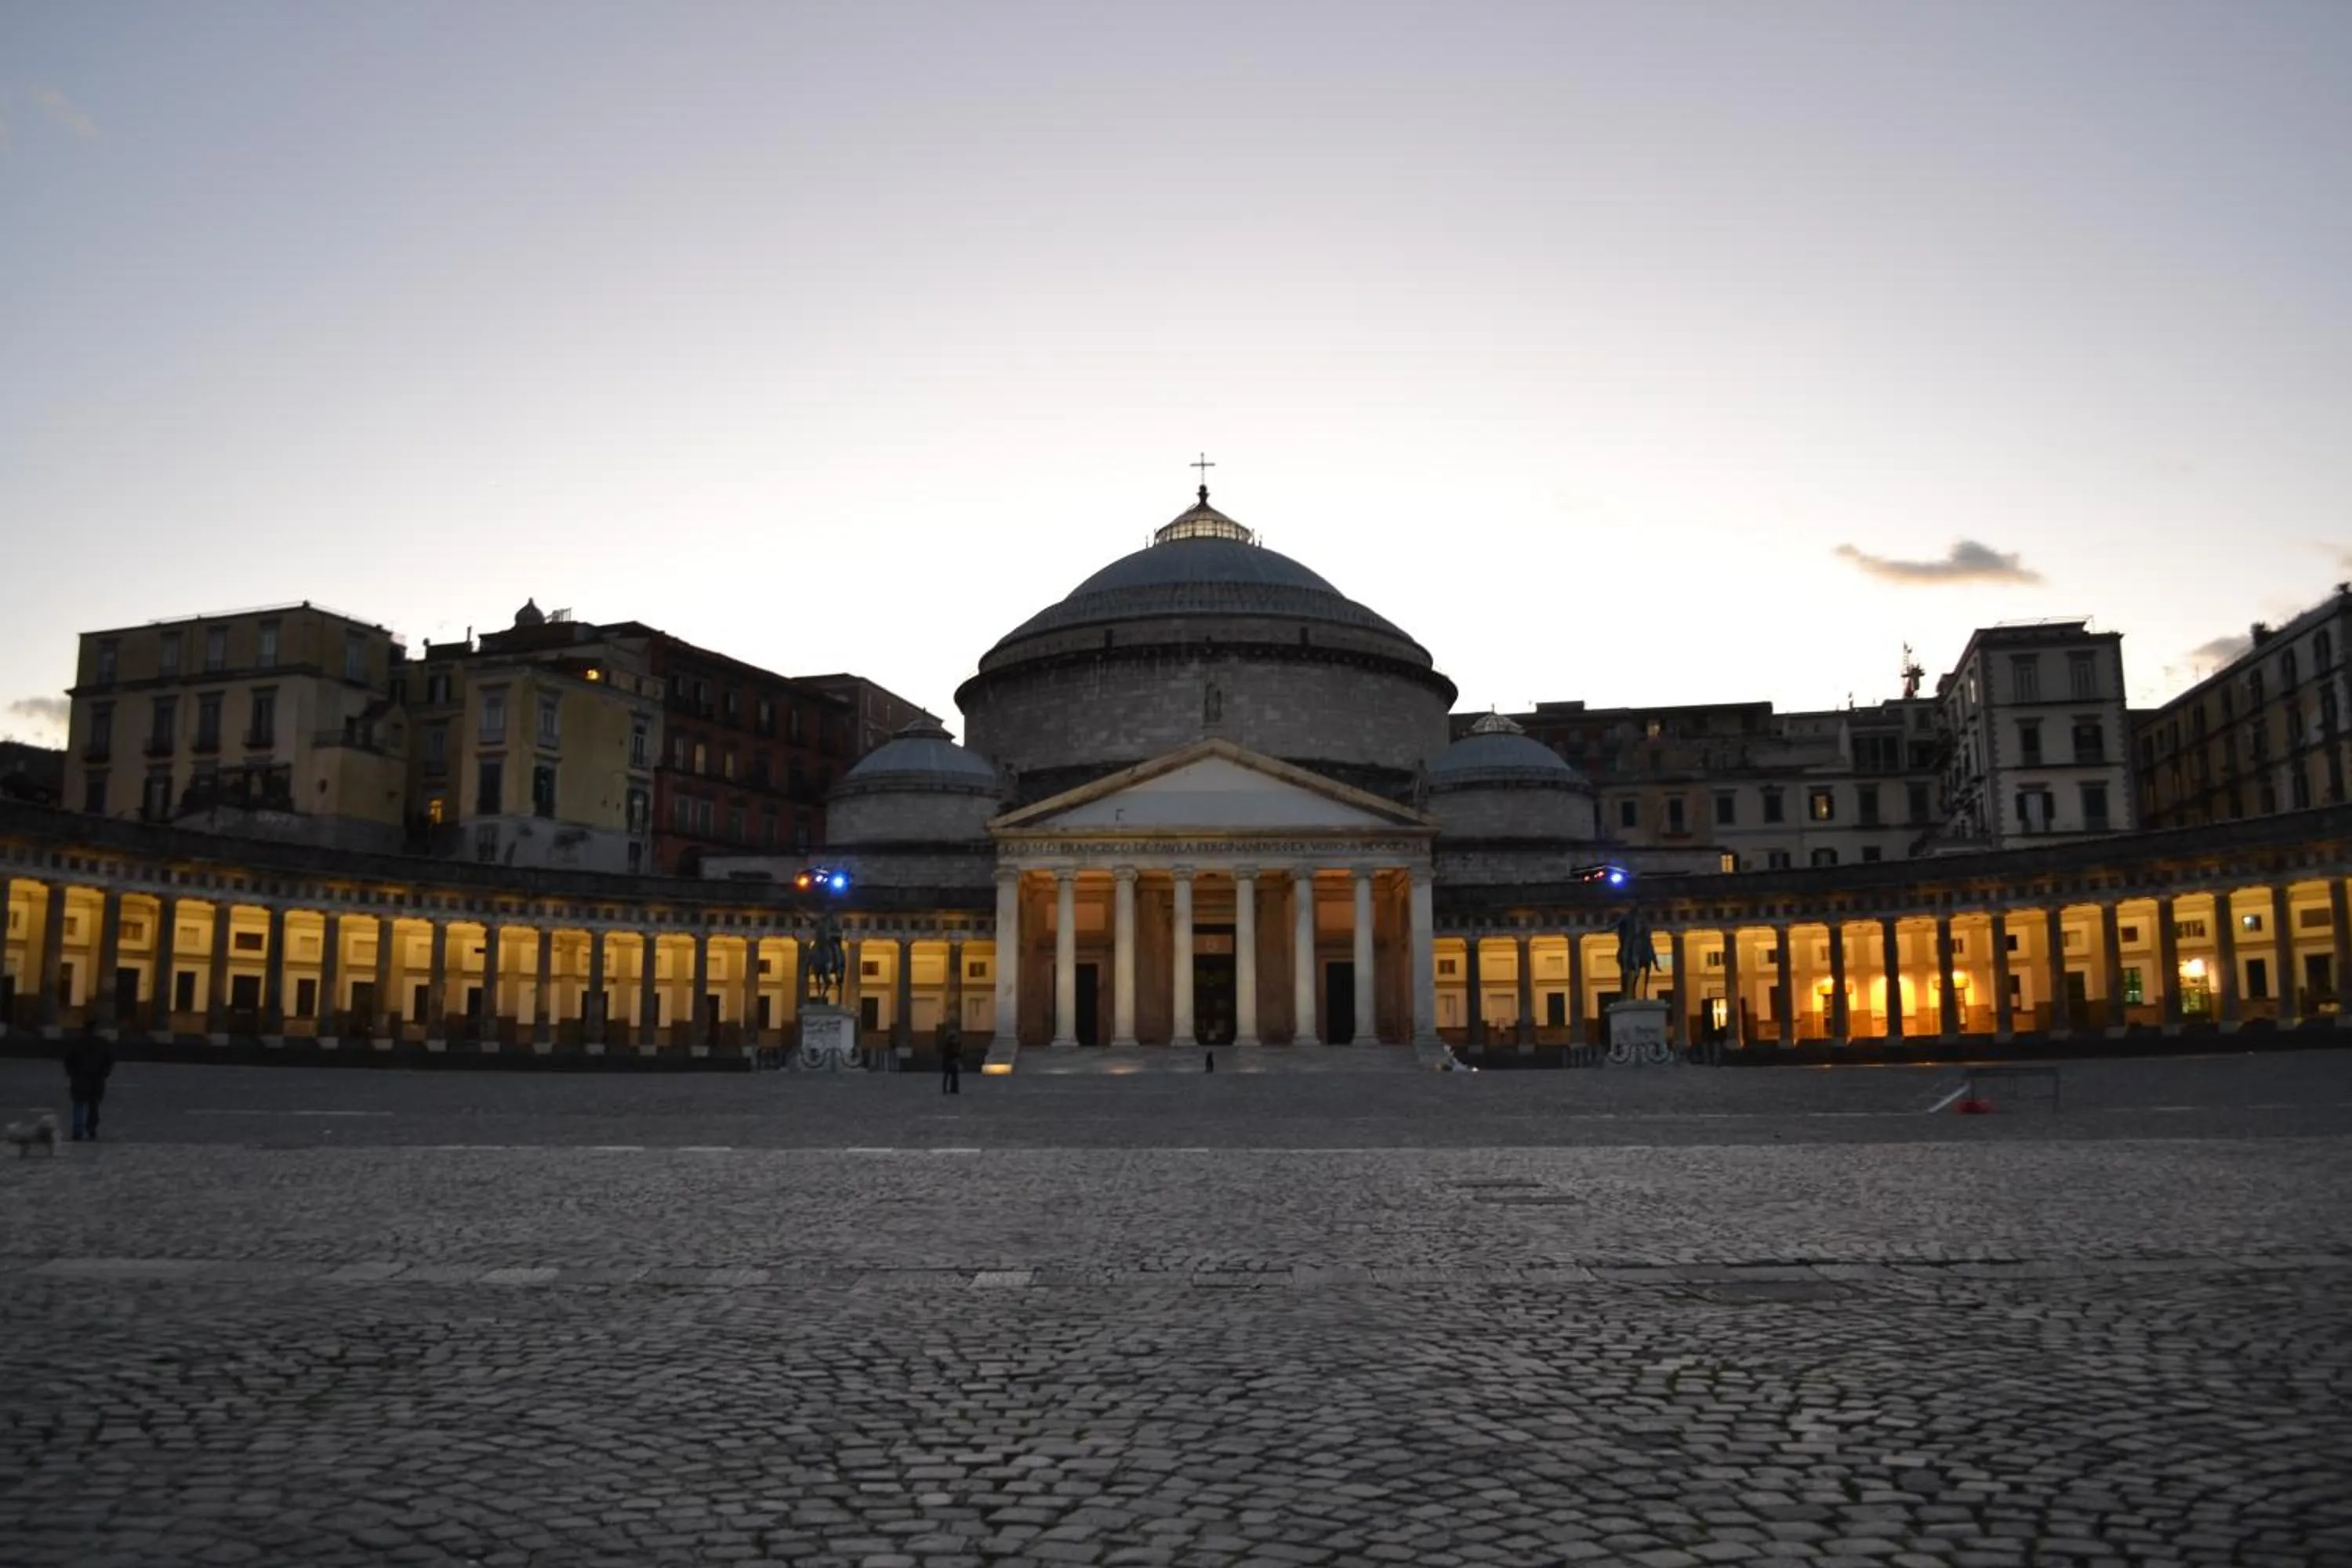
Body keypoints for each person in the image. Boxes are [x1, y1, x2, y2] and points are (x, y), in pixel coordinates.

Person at [64, 1023, 114, 1143]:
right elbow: (109, 1059)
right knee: (93, 1106)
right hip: (96, 1079)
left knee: (79, 1105)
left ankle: (78, 1130)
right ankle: (91, 1129)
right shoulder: (103, 1043)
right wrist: (105, 1072)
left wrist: (72, 1073)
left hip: (80, 1078)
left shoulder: (77, 1043)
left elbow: (68, 1059)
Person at [939, 1021, 963, 1095]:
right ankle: (950, 1089)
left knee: (952, 1077)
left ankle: (953, 1089)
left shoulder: (951, 1045)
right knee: (950, 1076)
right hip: (950, 1062)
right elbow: (949, 1054)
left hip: (950, 1062)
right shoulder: (950, 1046)